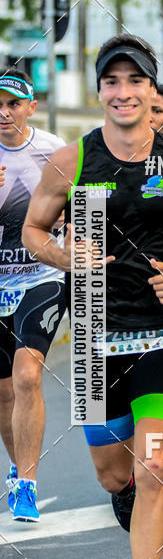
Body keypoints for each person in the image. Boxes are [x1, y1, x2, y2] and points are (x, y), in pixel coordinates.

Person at [23, 35, 163, 559]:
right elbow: (33, 230)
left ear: (152, 92)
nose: (123, 92)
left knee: (153, 465)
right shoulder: (71, 161)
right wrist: (63, 253)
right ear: (101, 91)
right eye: (112, 82)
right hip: (92, 338)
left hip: (160, 332)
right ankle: (130, 496)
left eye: (136, 82)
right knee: (114, 477)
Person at [0, 67, 67, 522]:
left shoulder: (54, 151)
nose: (4, 114)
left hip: (41, 277)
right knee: (4, 390)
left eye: (12, 104)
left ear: (31, 107)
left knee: (27, 375)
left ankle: (27, 484)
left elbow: (84, 207)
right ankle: (14, 466)